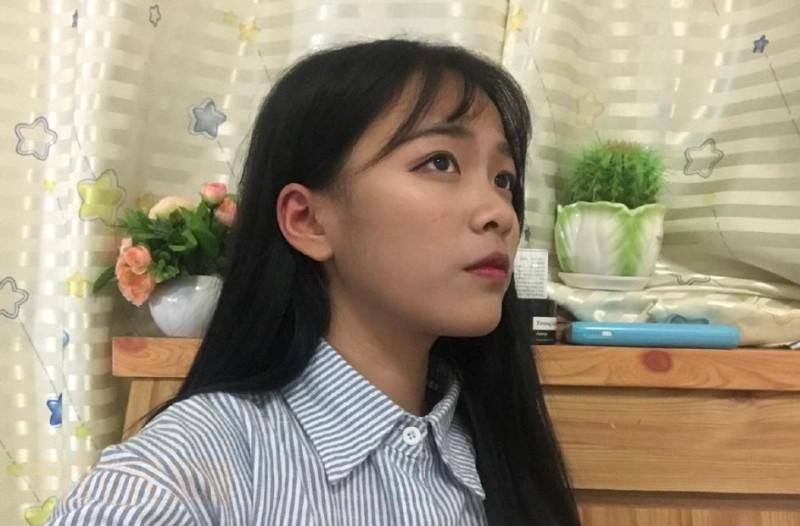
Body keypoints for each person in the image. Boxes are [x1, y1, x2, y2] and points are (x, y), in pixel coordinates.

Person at [48, 38, 581, 526]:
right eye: (439, 162)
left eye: (503, 178)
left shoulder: (497, 451)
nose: (499, 212)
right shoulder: (183, 475)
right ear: (308, 220)